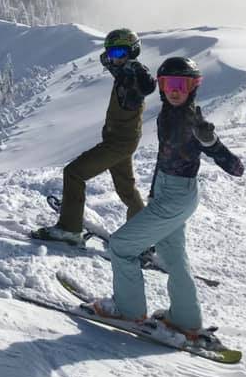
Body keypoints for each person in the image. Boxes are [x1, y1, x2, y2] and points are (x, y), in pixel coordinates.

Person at [87, 57, 245, 337]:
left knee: (122, 246)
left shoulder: (192, 121)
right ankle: (186, 319)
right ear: (161, 86)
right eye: (168, 83)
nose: (174, 90)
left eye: (182, 84)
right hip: (170, 194)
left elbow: (235, 168)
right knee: (173, 256)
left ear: (193, 86)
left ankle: (128, 310)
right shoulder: (168, 113)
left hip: (175, 197)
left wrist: (211, 143)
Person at [34, 28, 156, 245]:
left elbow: (147, 85)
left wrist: (134, 70)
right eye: (111, 54)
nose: (114, 59)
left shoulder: (134, 76)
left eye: (119, 54)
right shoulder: (123, 73)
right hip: (123, 141)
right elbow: (117, 69)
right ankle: (146, 237)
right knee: (127, 190)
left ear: (132, 52)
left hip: (118, 143)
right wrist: (115, 64)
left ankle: (69, 230)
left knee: (74, 173)